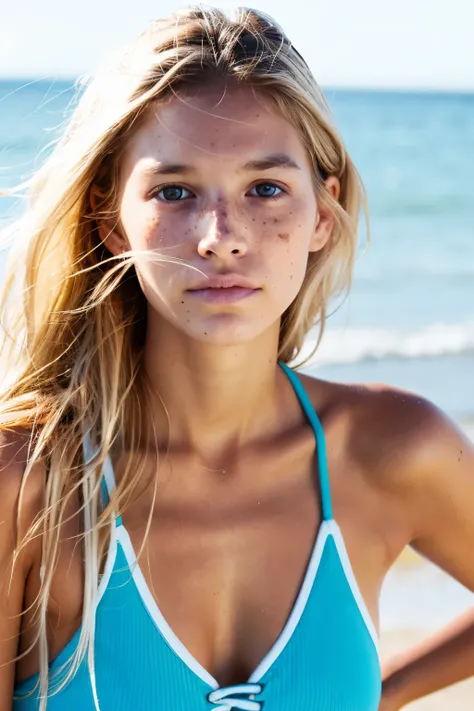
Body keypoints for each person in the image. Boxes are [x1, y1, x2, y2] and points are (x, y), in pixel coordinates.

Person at [0, 6, 473, 711]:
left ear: (322, 212)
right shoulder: (29, 485)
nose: (221, 237)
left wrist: (386, 690)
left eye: (266, 188)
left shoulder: (390, 452)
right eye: (174, 191)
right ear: (110, 222)